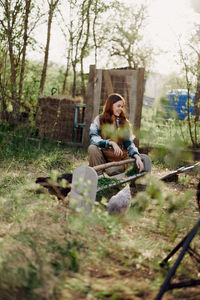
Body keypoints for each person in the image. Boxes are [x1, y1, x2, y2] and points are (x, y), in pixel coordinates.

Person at [88, 93, 151, 176]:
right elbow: (93, 138)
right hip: (104, 156)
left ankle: (116, 181)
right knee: (92, 148)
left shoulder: (124, 123)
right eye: (118, 106)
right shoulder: (99, 119)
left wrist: (137, 156)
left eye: (122, 106)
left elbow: (129, 144)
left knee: (111, 170)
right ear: (110, 105)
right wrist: (110, 142)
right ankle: (99, 178)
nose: (121, 109)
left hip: (119, 160)